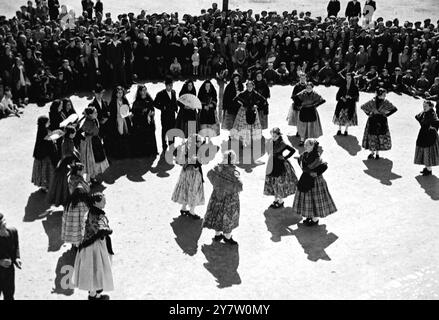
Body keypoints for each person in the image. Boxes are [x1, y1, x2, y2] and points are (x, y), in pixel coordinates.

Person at [73, 192, 114, 300]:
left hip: (89, 245)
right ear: (96, 202)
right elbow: (100, 229)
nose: (105, 202)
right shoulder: (97, 215)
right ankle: (96, 296)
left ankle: (94, 294)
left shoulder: (91, 211)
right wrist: (108, 230)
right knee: (97, 270)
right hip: (94, 247)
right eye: (103, 201)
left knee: (92, 271)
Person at [292, 139, 337, 226]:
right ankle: (309, 216)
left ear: (314, 146)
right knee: (307, 198)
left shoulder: (316, 156)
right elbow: (301, 162)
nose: (306, 147)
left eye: (309, 145)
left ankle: (315, 219)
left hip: (315, 181)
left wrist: (316, 173)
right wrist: (300, 161)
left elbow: (324, 165)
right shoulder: (305, 154)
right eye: (305, 145)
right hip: (305, 178)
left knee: (315, 199)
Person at [203, 150, 243, 245]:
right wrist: (228, 187)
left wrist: (219, 185)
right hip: (229, 199)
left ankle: (217, 235)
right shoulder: (234, 172)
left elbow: (209, 174)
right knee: (228, 217)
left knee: (217, 214)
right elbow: (239, 186)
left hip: (217, 196)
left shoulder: (218, 168)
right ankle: (227, 237)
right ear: (232, 160)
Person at [172, 134, 206, 220]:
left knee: (186, 189)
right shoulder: (195, 152)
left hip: (185, 173)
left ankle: (183, 208)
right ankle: (192, 211)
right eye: (199, 141)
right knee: (194, 191)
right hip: (194, 174)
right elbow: (200, 162)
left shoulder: (187, 149)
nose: (200, 143)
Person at [264, 128, 298, 209]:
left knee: (280, 183)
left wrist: (285, 158)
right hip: (271, 163)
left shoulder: (282, 144)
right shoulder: (270, 142)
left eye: (275, 135)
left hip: (280, 165)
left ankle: (280, 201)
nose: (273, 137)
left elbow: (292, 150)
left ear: (279, 135)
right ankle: (276, 200)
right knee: (273, 181)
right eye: (272, 135)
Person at [47, 126, 80, 207]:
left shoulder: (68, 140)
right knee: (65, 183)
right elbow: (66, 153)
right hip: (66, 164)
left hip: (68, 162)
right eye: (74, 133)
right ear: (70, 134)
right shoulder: (66, 142)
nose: (75, 134)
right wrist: (73, 158)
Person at [361, 88, 398, 159]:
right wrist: (369, 113)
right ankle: (373, 153)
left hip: (381, 121)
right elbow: (363, 107)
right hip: (373, 121)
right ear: (379, 94)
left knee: (380, 136)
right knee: (373, 136)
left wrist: (386, 115)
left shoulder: (385, 102)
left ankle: (376, 153)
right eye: (384, 94)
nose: (385, 96)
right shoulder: (373, 101)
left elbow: (394, 109)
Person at [61, 163, 90, 248]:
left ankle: (74, 242)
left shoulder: (71, 178)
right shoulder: (79, 181)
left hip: (71, 204)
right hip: (80, 204)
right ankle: (78, 243)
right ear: (78, 171)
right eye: (82, 170)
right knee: (80, 223)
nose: (84, 172)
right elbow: (87, 190)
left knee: (72, 224)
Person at [231, 80, 267, 148]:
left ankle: (250, 142)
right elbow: (235, 99)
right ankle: (242, 142)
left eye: (251, 86)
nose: (249, 87)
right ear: (246, 86)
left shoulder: (256, 93)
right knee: (242, 128)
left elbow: (263, 100)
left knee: (252, 128)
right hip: (244, 112)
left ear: (253, 86)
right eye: (248, 86)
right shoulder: (243, 93)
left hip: (253, 112)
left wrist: (256, 105)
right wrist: (241, 104)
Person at [78, 106, 109, 184]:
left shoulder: (94, 119)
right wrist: (85, 137)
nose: (97, 113)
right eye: (95, 112)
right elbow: (79, 132)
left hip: (96, 140)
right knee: (91, 160)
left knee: (97, 158)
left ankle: (93, 177)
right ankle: (90, 179)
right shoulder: (87, 122)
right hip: (90, 143)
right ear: (90, 115)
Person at [130, 84, 158, 157]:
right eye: (143, 90)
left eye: (145, 90)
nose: (145, 92)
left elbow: (152, 108)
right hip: (141, 123)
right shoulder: (137, 102)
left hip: (149, 121)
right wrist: (142, 111)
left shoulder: (149, 99)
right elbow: (134, 113)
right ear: (139, 92)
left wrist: (151, 113)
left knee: (151, 135)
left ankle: (152, 151)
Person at [31, 115, 57, 192]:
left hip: (40, 154)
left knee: (43, 171)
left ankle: (44, 186)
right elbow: (48, 143)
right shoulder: (44, 131)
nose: (49, 122)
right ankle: (44, 186)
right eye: (48, 121)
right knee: (45, 171)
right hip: (44, 155)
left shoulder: (41, 129)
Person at [414, 100, 439, 176]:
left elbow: (437, 122)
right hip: (423, 134)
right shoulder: (424, 113)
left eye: (426, 106)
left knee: (429, 152)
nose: (424, 107)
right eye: (423, 106)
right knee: (424, 151)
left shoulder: (432, 114)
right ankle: (426, 168)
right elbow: (418, 116)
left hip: (430, 136)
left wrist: (431, 128)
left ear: (430, 107)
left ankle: (429, 170)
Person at [0, 213, 21, 300]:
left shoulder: (13, 232)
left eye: (4, 225)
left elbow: (16, 246)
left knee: (9, 295)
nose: (4, 229)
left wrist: (17, 258)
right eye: (1, 228)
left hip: (9, 272)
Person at [154, 77, 179, 151]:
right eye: (169, 85)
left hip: (172, 115)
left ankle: (172, 145)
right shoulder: (160, 94)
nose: (170, 87)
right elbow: (155, 103)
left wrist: (176, 108)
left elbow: (174, 101)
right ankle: (164, 146)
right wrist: (162, 107)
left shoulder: (173, 92)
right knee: (165, 131)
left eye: (171, 85)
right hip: (164, 116)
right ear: (165, 85)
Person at [108, 86, 131, 158]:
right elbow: (111, 113)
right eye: (118, 93)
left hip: (124, 119)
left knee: (125, 134)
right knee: (119, 135)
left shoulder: (125, 100)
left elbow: (128, 109)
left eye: (121, 93)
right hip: (117, 120)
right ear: (115, 94)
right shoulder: (113, 102)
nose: (120, 94)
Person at [287, 72, 307, 137]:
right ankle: (298, 131)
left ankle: (305, 131)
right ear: (299, 79)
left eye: (304, 78)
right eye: (301, 78)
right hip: (298, 105)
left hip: (306, 105)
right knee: (298, 119)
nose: (303, 80)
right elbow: (293, 96)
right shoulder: (297, 86)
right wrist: (298, 102)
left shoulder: (308, 86)